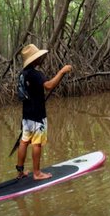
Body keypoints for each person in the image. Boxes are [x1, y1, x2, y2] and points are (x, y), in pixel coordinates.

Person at [16, 44, 72, 180]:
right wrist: (62, 72)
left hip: (27, 115)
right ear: (34, 60)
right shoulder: (36, 74)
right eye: (39, 56)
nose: (41, 58)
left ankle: (20, 172)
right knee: (37, 143)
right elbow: (49, 86)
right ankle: (37, 173)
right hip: (38, 116)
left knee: (24, 142)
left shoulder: (22, 75)